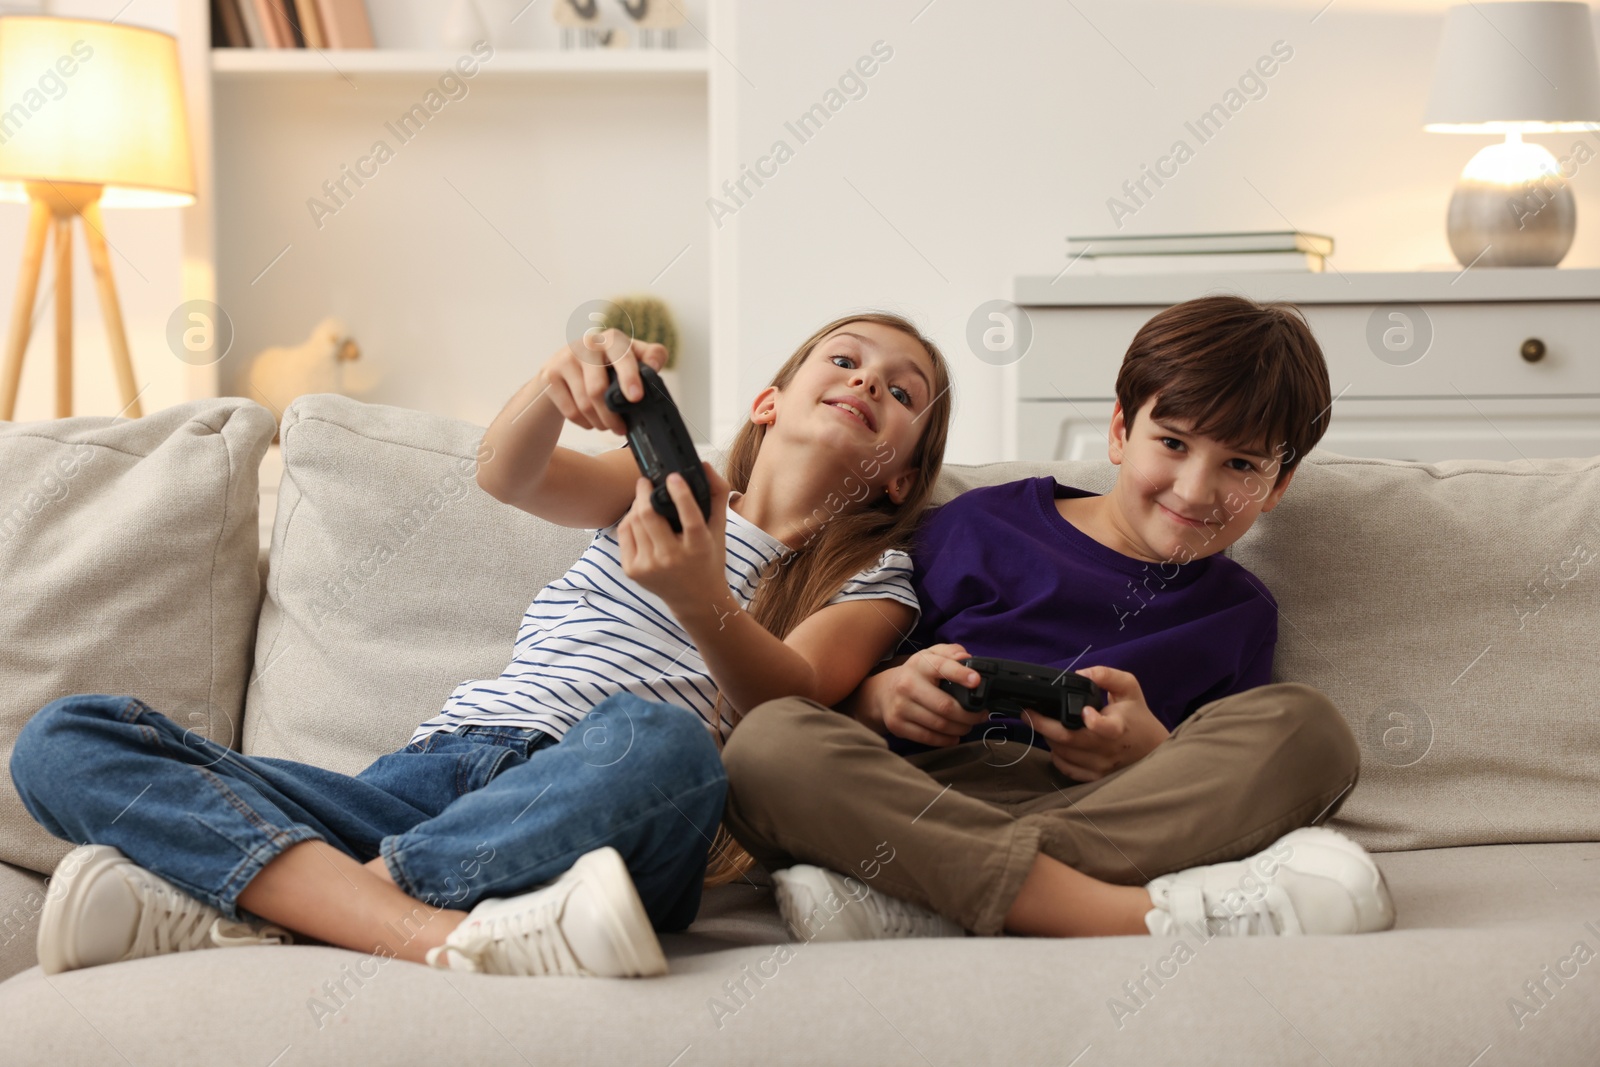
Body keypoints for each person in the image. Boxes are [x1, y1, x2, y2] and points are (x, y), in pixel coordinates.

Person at [11, 310, 954, 977]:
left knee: (665, 745)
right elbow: (509, 472)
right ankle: (418, 929)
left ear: (902, 471)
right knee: (63, 735)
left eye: (900, 388)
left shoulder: (874, 579)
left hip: (603, 812)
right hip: (425, 782)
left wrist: (701, 594)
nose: (867, 380)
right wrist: (555, 382)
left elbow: (789, 695)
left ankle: (303, 904)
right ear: (769, 400)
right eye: (844, 359)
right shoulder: (670, 481)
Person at [721, 295, 1398, 944]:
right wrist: (886, 696)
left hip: (1099, 812)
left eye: (1242, 465)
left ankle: (925, 894)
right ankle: (1112, 912)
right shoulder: (977, 524)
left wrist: (1152, 750)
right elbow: (828, 690)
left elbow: (1214, 786)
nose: (1195, 490)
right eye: (1172, 443)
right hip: (919, 796)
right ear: (1118, 431)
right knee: (765, 743)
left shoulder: (1240, 613)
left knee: (1312, 731)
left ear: (1278, 486)